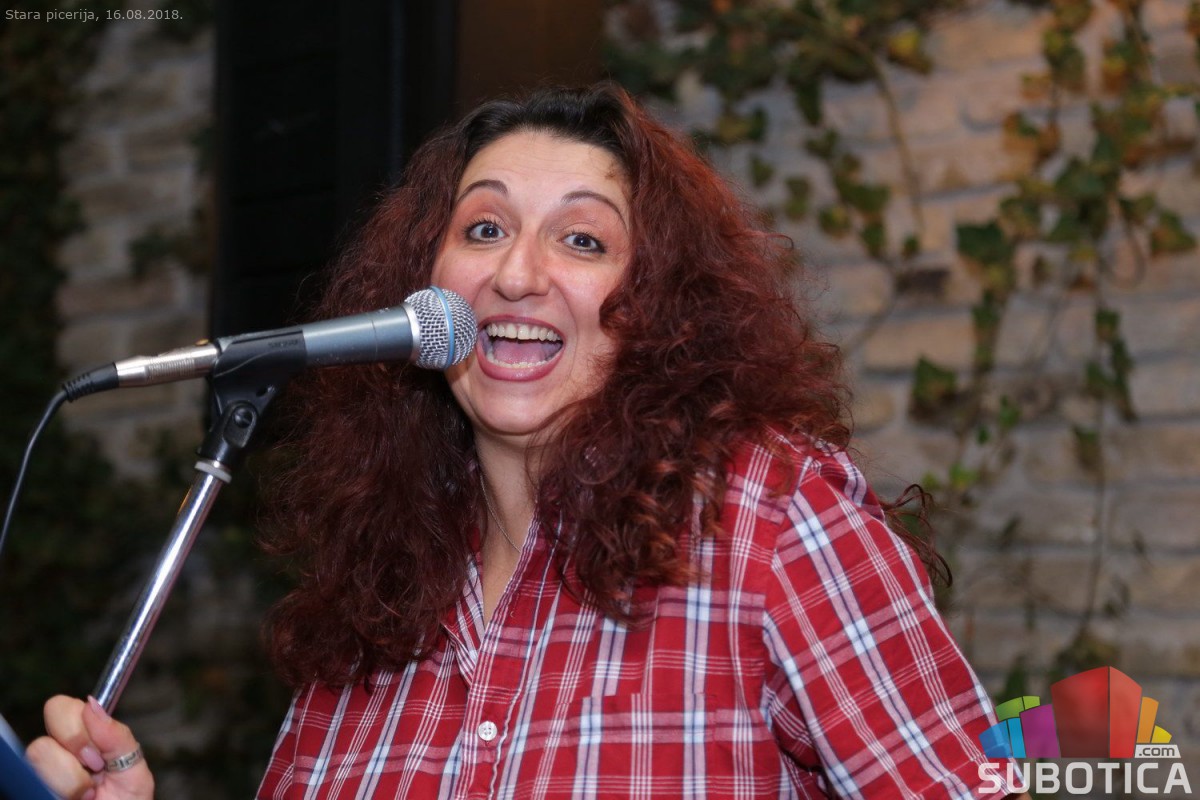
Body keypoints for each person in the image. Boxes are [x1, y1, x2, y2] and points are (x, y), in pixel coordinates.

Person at [28, 83, 1022, 799]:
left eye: (583, 240)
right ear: (423, 289)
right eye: (484, 229)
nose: (516, 274)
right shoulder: (375, 599)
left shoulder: (765, 516)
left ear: (660, 306)